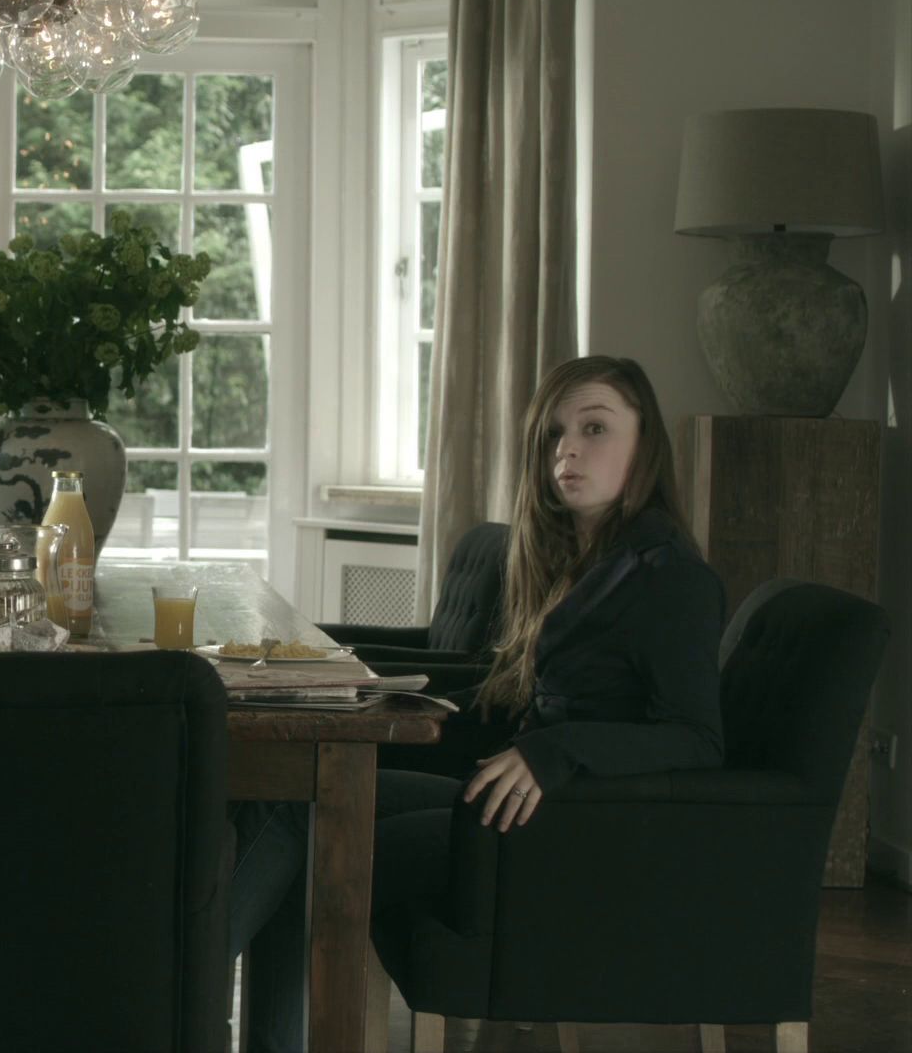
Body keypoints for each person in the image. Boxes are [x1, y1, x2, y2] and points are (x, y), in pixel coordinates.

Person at [227, 356, 726, 1052]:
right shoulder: (582, 558)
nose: (568, 450)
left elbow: (697, 739)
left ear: (646, 442)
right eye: (554, 434)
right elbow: (515, 698)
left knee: (301, 818)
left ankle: (169, 993)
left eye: (595, 428)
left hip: (560, 831)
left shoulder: (669, 576)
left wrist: (554, 752)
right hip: (504, 805)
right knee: (300, 796)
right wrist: (380, 699)